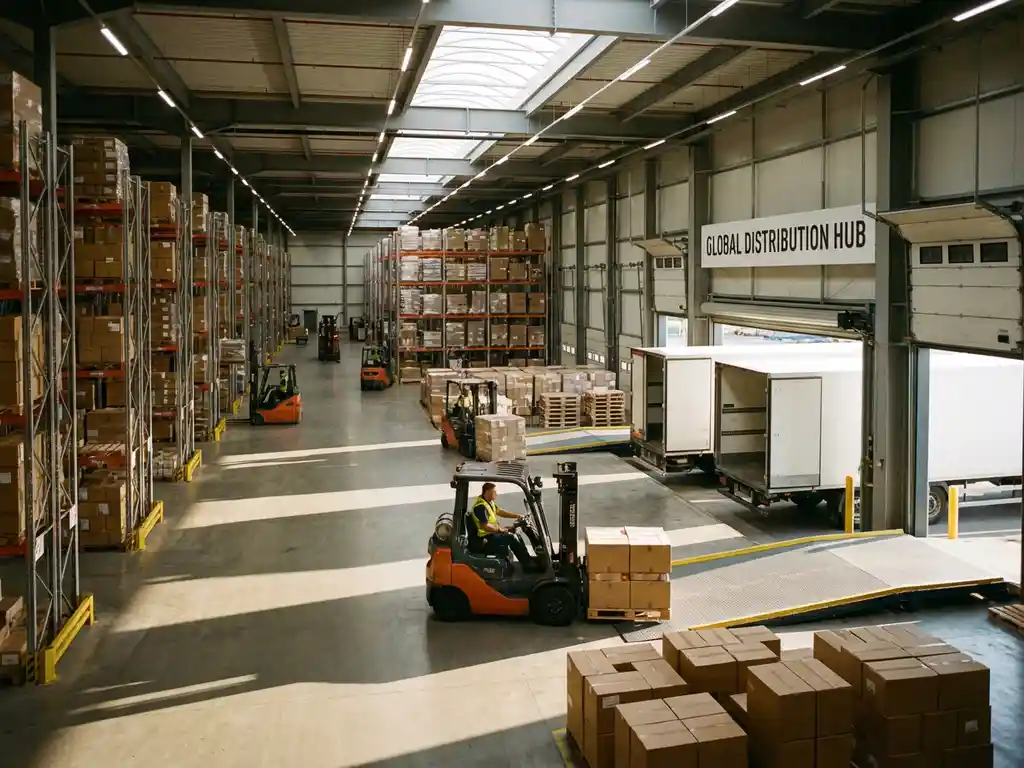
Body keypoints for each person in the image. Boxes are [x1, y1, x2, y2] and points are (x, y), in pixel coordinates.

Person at [469, 482, 536, 570]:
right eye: (494, 492)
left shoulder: (489, 503)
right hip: (486, 538)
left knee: (516, 533)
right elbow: (485, 526)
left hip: (491, 534)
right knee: (511, 537)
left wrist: (517, 515)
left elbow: (500, 512)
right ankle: (528, 566)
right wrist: (500, 530)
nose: (496, 494)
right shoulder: (480, 507)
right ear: (487, 492)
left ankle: (527, 560)